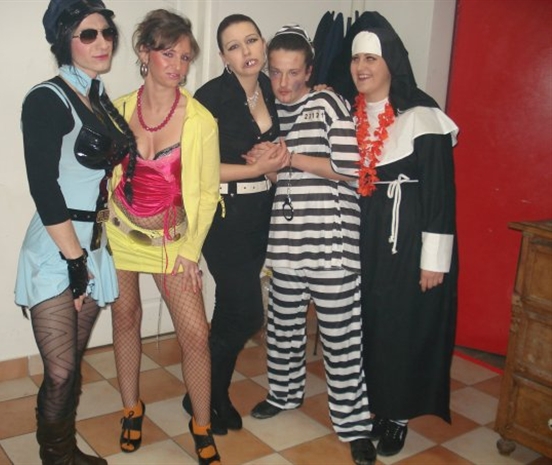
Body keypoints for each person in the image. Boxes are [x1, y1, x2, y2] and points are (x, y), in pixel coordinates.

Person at [248, 25, 376, 465]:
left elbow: (351, 170)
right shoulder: (270, 112)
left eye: (293, 72)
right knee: (283, 329)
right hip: (286, 241)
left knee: (342, 340)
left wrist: (289, 157)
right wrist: (267, 165)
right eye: (276, 72)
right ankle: (283, 395)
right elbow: (278, 177)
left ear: (309, 71)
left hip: (332, 247)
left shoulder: (328, 104)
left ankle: (354, 425)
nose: (283, 82)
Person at [14, 1, 130, 463]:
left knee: (69, 364)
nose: (102, 43)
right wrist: (75, 262)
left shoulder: (97, 96)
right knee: (61, 370)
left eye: (107, 33)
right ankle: (55, 455)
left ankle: (63, 449)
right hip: (58, 245)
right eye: (88, 34)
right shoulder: (47, 99)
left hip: (94, 245)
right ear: (65, 40)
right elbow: (44, 189)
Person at [106, 9, 221, 465]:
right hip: (119, 234)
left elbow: (207, 195)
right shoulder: (118, 110)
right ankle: (131, 409)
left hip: (172, 242)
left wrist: (191, 252)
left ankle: (202, 424)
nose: (177, 65)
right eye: (168, 53)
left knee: (195, 334)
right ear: (144, 53)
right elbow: (105, 175)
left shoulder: (200, 120)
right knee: (125, 318)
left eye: (185, 57)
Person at [342, 11, 459, 457]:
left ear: (391, 62)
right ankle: (377, 403)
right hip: (365, 235)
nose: (362, 67)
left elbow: (440, 192)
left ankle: (398, 415)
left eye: (371, 58)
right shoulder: (351, 114)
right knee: (370, 320)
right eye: (357, 59)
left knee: (401, 323)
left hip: (406, 238)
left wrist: (434, 260)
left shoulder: (422, 115)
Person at [182, 14, 288, 434]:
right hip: (224, 215)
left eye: (252, 40)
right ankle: (210, 394)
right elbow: (196, 168)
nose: (246, 51)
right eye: (234, 46)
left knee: (229, 309)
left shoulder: (272, 89)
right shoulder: (210, 98)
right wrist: (255, 168)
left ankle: (203, 393)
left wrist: (273, 163)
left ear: (264, 43)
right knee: (246, 314)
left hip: (262, 211)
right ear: (223, 56)